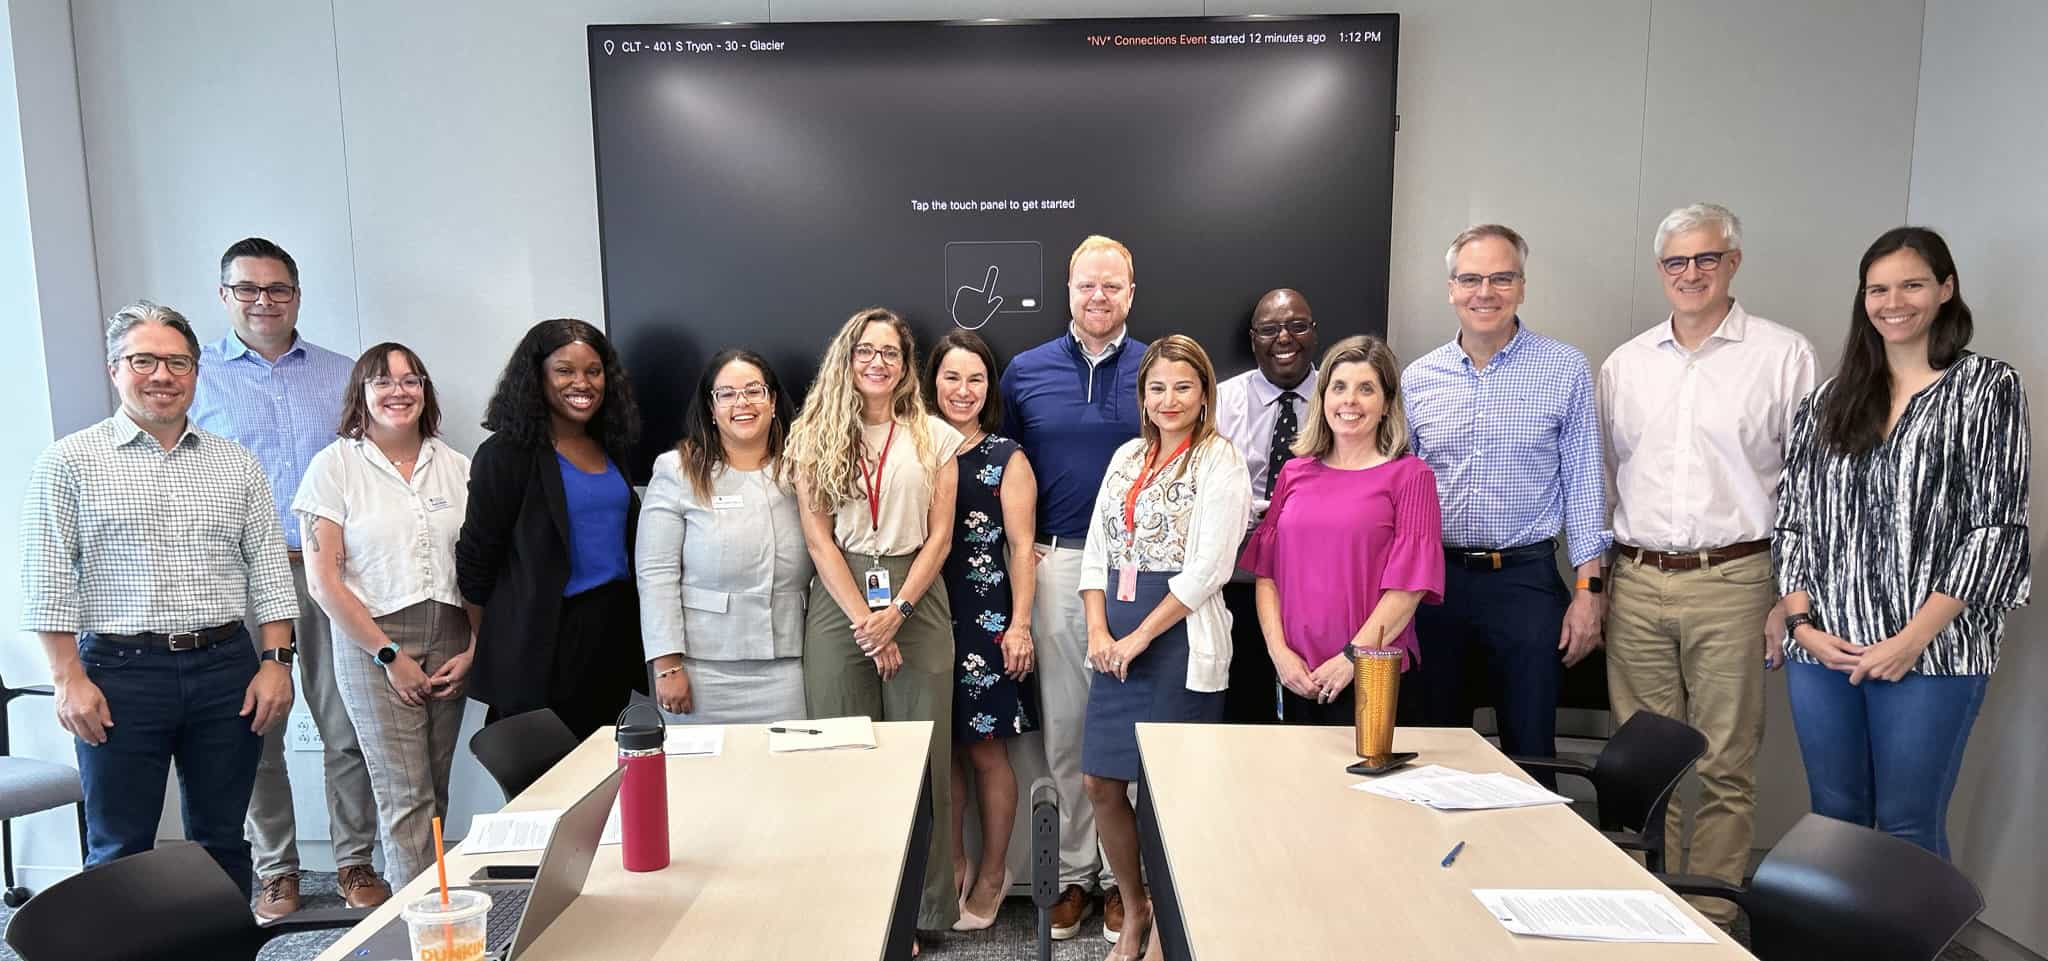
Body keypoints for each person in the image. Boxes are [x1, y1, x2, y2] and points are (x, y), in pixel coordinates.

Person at [20, 302, 296, 898]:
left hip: (226, 668)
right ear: (114, 369)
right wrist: (68, 678)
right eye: (144, 360)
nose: (162, 375)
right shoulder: (69, 463)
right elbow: (46, 582)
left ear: (197, 372)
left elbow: (271, 575)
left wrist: (276, 665)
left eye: (178, 361)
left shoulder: (235, 464)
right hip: (118, 676)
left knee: (222, 838)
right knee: (120, 846)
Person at [1775, 226, 2030, 858]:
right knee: (1834, 820)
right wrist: (1801, 624)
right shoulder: (1827, 402)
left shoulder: (1986, 388)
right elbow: (1794, 521)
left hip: (1932, 653)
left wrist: (1908, 641)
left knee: (1907, 827)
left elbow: (1996, 528)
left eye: (1912, 284)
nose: (1895, 302)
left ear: (1946, 289)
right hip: (1825, 649)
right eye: (1878, 288)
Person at [1597, 203, 1815, 916]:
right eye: (1676, 262)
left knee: (1724, 761)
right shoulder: (1625, 365)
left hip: (1736, 578)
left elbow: (1812, 486)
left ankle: (1711, 919)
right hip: (1636, 577)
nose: (1691, 274)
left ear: (1733, 263)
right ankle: (1642, 905)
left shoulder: (1784, 356)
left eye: (1706, 259)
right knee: (1640, 763)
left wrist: (1791, 594)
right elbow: (1605, 477)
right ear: (1660, 271)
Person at [189, 237, 385, 916]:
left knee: (346, 722)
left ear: (297, 295)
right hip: (240, 577)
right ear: (224, 296)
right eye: (247, 289)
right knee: (256, 725)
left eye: (277, 289)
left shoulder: (341, 374)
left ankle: (357, 860)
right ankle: (276, 868)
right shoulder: (197, 377)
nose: (263, 301)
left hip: (327, 571)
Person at [1401, 224, 1609, 767]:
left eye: (1501, 277)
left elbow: (1585, 486)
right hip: (1435, 589)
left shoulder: (1564, 369)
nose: (1484, 292)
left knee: (1531, 751)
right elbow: (1401, 497)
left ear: (1521, 285)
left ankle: (1535, 852)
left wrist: (1589, 592)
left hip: (1525, 584)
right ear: (1450, 288)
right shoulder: (1418, 378)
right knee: (1434, 751)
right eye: (1470, 279)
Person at [787, 307, 961, 934]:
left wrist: (898, 615)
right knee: (843, 755)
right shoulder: (813, 434)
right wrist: (868, 622)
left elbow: (940, 539)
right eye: (865, 350)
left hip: (917, 593)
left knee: (923, 763)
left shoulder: (934, 436)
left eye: (890, 352)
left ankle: (923, 912)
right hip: (842, 602)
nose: (877, 362)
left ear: (904, 364)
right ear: (846, 357)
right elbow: (817, 539)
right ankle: (853, 911)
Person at [1079, 334, 1251, 961]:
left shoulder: (1220, 460)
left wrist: (1138, 637)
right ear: (1142, 396)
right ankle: (1134, 903)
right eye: (1157, 388)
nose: (1169, 399)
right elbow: (1096, 553)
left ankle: (1170, 929)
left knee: (1165, 793)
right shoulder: (1127, 455)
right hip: (1115, 636)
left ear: (1204, 393)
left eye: (1183, 386)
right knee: (1101, 781)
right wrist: (1100, 632)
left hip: (1177, 636)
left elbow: (1209, 570)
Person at [998, 234, 1145, 941]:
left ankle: (1125, 880)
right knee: (1065, 728)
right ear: (1068, 290)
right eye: (1087, 285)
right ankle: (1075, 878)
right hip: (1058, 563)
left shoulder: (1160, 369)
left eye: (1111, 286)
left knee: (1131, 724)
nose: (1098, 297)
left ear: (1131, 292)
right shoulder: (1025, 372)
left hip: (1140, 572)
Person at [294, 343, 474, 890]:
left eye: (411, 380)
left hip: (450, 633)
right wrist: (388, 655)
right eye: (383, 381)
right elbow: (323, 580)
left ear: (426, 391)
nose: (399, 391)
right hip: (373, 639)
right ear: (361, 395)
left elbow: (480, 568)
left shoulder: (457, 465)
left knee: (435, 791)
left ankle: (440, 911)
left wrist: (474, 648)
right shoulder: (335, 466)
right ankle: (420, 929)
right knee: (404, 796)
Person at [457, 319, 646, 741]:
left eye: (593, 371)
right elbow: (475, 562)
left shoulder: (611, 446)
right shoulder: (505, 455)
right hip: (540, 643)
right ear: (536, 376)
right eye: (565, 370)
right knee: (541, 789)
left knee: (600, 776)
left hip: (610, 637)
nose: (582, 383)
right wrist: (497, 643)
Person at [1240, 335, 1443, 724]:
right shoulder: (1294, 472)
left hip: (1372, 674)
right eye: (1339, 387)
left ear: (1386, 404)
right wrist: (1280, 654)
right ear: (1324, 398)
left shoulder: (1411, 476)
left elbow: (1409, 588)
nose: (1349, 400)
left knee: (1367, 785)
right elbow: (1267, 574)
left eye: (1366, 389)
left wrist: (1352, 658)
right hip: (1296, 674)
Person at [923, 329, 1040, 932]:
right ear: (932, 381)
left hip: (986, 620)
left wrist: (1020, 625)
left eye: (975, 379)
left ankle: (995, 875)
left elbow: (1023, 549)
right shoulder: (912, 448)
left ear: (989, 387)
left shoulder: (1005, 456)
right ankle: (953, 866)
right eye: (951, 377)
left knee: (986, 751)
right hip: (920, 618)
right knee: (939, 756)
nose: (963, 390)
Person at [636, 349, 812, 723]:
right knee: (704, 782)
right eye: (727, 394)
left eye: (753, 390)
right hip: (701, 671)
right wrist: (666, 666)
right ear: (711, 408)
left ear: (773, 400)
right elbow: (656, 576)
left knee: (788, 779)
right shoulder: (678, 471)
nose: (742, 403)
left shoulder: (803, 470)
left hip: (791, 668)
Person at [1214, 288, 1320, 723]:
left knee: (1314, 710)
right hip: (1237, 580)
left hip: (1317, 583)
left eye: (1296, 326)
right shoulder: (1219, 402)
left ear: (1313, 333)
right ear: (1253, 337)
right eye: (1270, 329)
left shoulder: (1344, 400)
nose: (1284, 338)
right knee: (1243, 712)